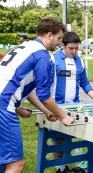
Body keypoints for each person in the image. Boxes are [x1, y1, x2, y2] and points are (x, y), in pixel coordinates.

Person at [0, 17, 74, 173]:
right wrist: (63, 116)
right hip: (3, 106)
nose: (59, 43)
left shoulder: (24, 47)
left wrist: (47, 112)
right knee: (16, 165)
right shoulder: (42, 55)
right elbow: (44, 97)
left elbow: (25, 88)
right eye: (58, 38)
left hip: (5, 103)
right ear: (49, 34)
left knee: (3, 164)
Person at [48, 32, 93, 173]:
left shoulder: (79, 61)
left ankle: (80, 166)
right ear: (63, 45)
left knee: (80, 134)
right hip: (57, 106)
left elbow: (84, 82)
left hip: (75, 106)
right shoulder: (53, 59)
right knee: (58, 139)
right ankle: (60, 169)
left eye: (76, 48)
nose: (74, 51)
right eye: (71, 48)